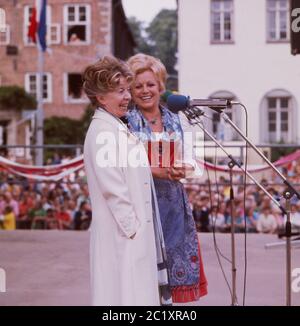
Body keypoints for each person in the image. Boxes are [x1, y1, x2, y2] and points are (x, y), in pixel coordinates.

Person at [82, 55, 169, 306]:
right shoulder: (102, 132)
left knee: (133, 298)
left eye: (125, 90)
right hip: (123, 236)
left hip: (130, 235)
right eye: (120, 91)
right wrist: (134, 230)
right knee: (123, 299)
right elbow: (113, 190)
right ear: (101, 96)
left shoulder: (114, 126)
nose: (127, 97)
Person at [126, 53, 208, 302]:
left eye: (150, 84)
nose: (145, 90)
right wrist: (155, 170)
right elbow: (122, 166)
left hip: (173, 206)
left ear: (161, 85)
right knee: (145, 279)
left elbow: (193, 160)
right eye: (137, 86)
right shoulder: (125, 122)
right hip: (143, 206)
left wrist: (185, 167)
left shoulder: (177, 119)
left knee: (172, 284)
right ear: (130, 90)